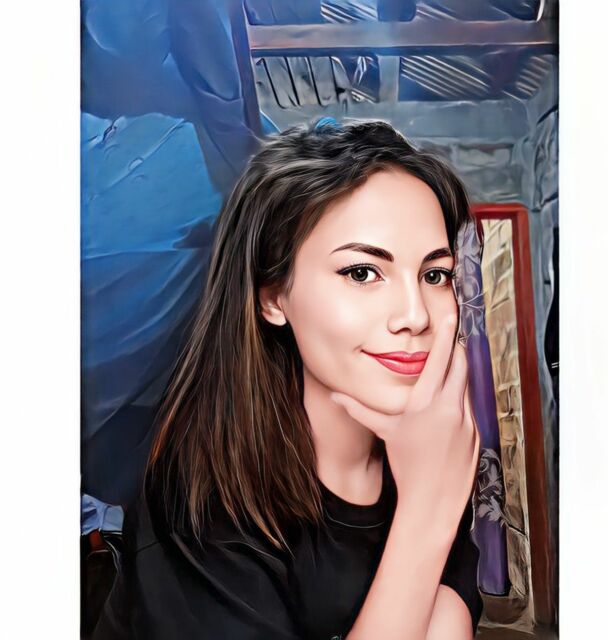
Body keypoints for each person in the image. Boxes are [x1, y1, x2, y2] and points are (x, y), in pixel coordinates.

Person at [92, 119, 483, 640]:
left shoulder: (434, 446)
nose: (415, 315)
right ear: (274, 296)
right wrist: (427, 510)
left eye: (435, 275)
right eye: (362, 272)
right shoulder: (199, 500)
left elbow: (451, 615)